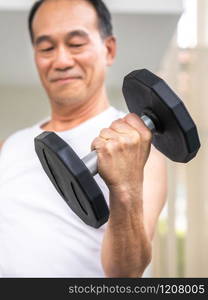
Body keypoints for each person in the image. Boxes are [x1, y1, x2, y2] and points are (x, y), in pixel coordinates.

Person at [0, 0, 167, 277]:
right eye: (46, 48)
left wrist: (124, 188)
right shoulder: (8, 147)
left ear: (108, 49)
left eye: (76, 44)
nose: (62, 61)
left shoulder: (140, 145)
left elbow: (126, 275)